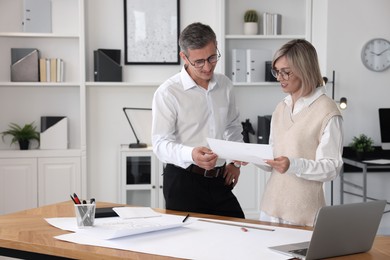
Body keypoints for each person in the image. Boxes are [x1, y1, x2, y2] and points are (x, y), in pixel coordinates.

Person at [151, 22, 245, 218]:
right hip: (183, 181)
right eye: (199, 61)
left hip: (220, 179)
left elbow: (232, 127)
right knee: (188, 246)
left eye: (212, 57)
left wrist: (234, 164)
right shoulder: (168, 92)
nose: (208, 66)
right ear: (184, 57)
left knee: (239, 233)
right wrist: (191, 154)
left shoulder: (225, 85)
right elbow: (160, 145)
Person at [259, 39, 344, 226]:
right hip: (269, 208)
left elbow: (331, 168)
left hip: (303, 214)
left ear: (304, 69)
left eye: (286, 72)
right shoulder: (281, 107)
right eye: (276, 71)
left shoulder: (327, 111)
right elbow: (274, 156)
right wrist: (251, 157)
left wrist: (293, 165)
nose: (279, 77)